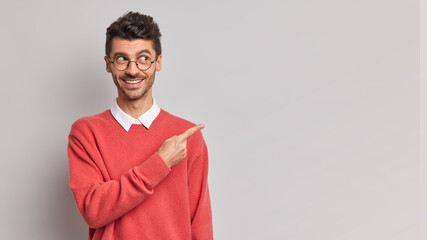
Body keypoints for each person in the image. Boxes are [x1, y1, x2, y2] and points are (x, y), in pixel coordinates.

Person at [67, 11, 213, 240]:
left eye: (144, 58)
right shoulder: (86, 133)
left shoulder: (186, 137)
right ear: (108, 64)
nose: (133, 70)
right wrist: (160, 163)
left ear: (158, 62)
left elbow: (200, 225)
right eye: (122, 58)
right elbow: (93, 211)